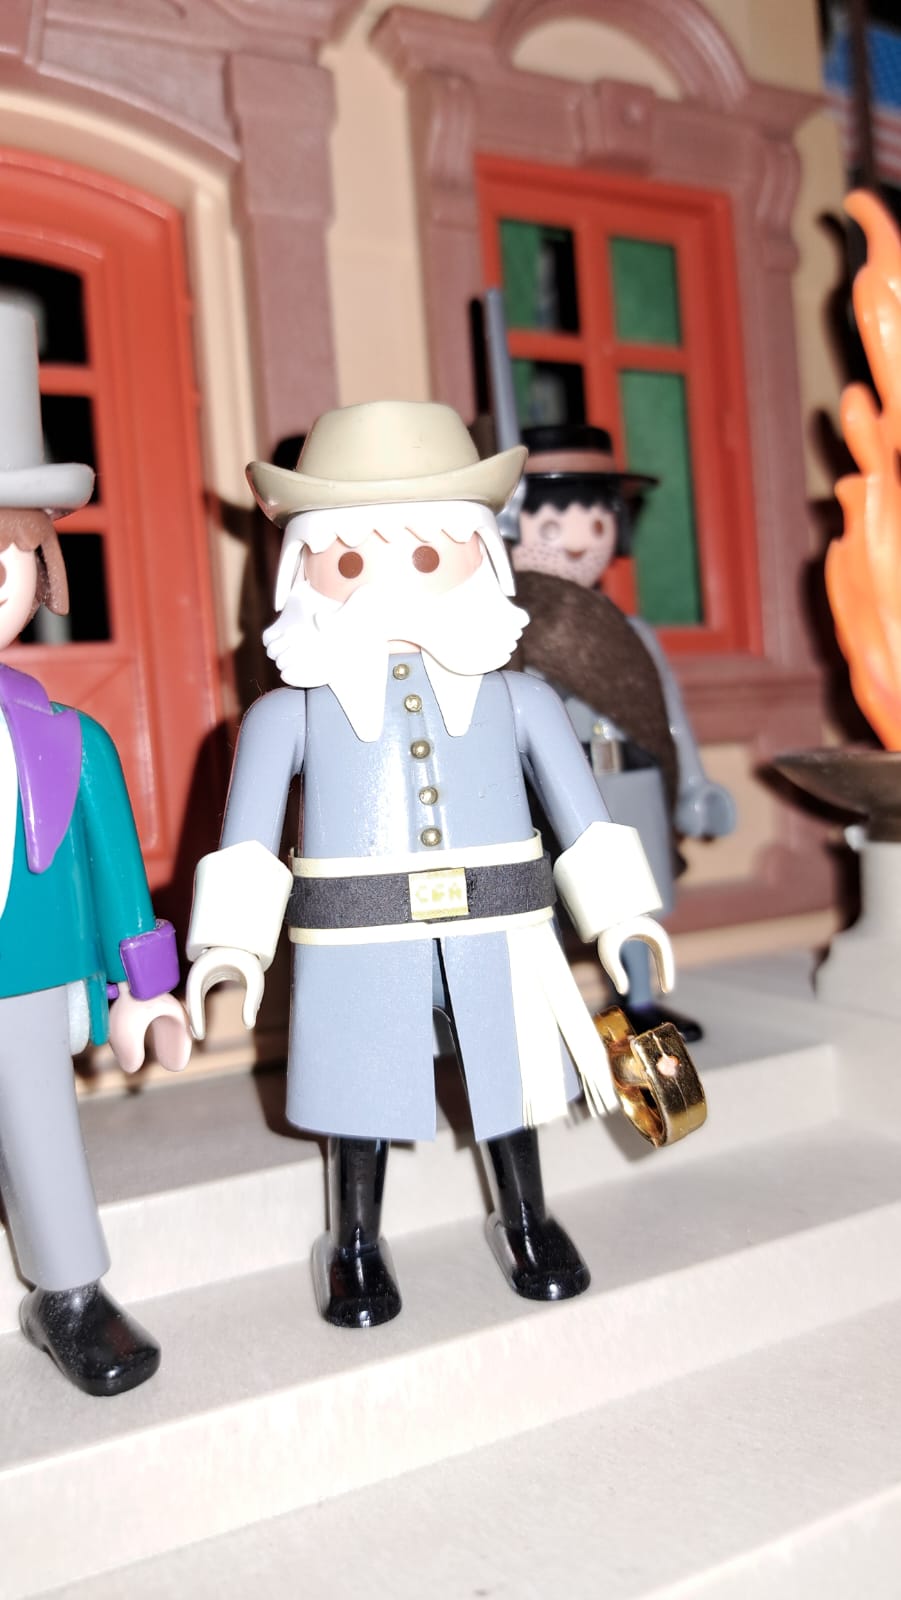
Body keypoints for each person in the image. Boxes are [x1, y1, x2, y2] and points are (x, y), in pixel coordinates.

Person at [187, 399, 674, 1329]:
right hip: (357, 939)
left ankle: (527, 1219)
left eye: (422, 558)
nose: (389, 589)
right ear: (303, 571)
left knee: (511, 1086)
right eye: (351, 563)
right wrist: (232, 946)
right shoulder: (287, 715)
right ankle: (354, 1241)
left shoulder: (524, 701)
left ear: (479, 559)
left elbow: (586, 819)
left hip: (500, 926)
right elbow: (245, 844)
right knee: (357, 1095)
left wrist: (622, 916)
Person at [0, 302, 191, 1395]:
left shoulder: (70, 740)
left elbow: (120, 878)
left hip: (26, 981)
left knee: (42, 1130)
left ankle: (69, 1293)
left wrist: (145, 990)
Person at [512, 423, 736, 1041]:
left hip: (631, 778)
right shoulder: (507, 630)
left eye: (595, 522)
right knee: (545, 903)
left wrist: (692, 783)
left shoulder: (632, 632)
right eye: (549, 526)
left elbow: (670, 714)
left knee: (635, 895)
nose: (577, 543)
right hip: (553, 787)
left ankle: (640, 1000)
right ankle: (546, 1012)